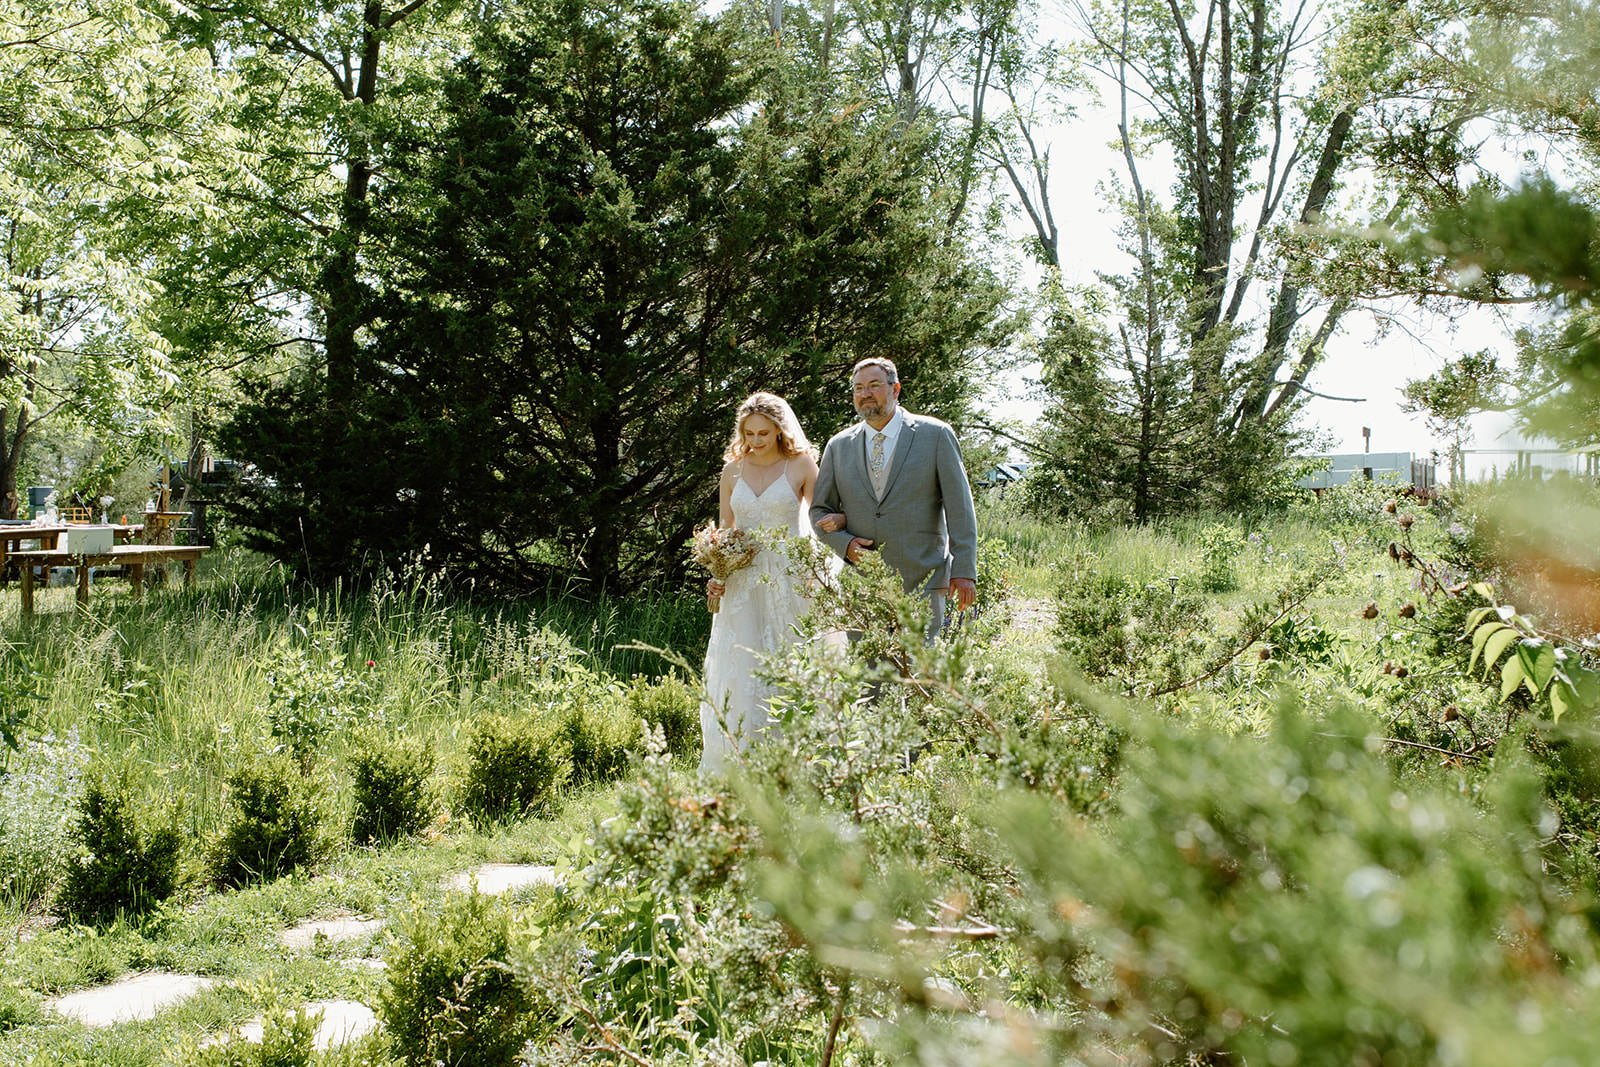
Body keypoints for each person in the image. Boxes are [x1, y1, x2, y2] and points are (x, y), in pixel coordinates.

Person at [700, 392, 843, 774]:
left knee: (790, 653)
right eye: (749, 433)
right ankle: (742, 755)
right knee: (742, 658)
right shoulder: (732, 471)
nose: (757, 441)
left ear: (780, 430)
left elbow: (822, 517)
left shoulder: (800, 465)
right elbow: (726, 531)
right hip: (744, 577)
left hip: (789, 576)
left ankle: (799, 756)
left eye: (764, 433)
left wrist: (835, 532)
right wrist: (717, 571)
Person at [809, 357, 978, 638]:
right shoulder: (838, 446)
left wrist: (964, 570)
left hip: (922, 577)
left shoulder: (935, 435)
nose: (865, 394)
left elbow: (960, 508)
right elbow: (818, 511)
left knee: (919, 674)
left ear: (895, 389)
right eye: (858, 388)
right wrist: (845, 545)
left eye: (874, 385)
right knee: (868, 677)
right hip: (862, 583)